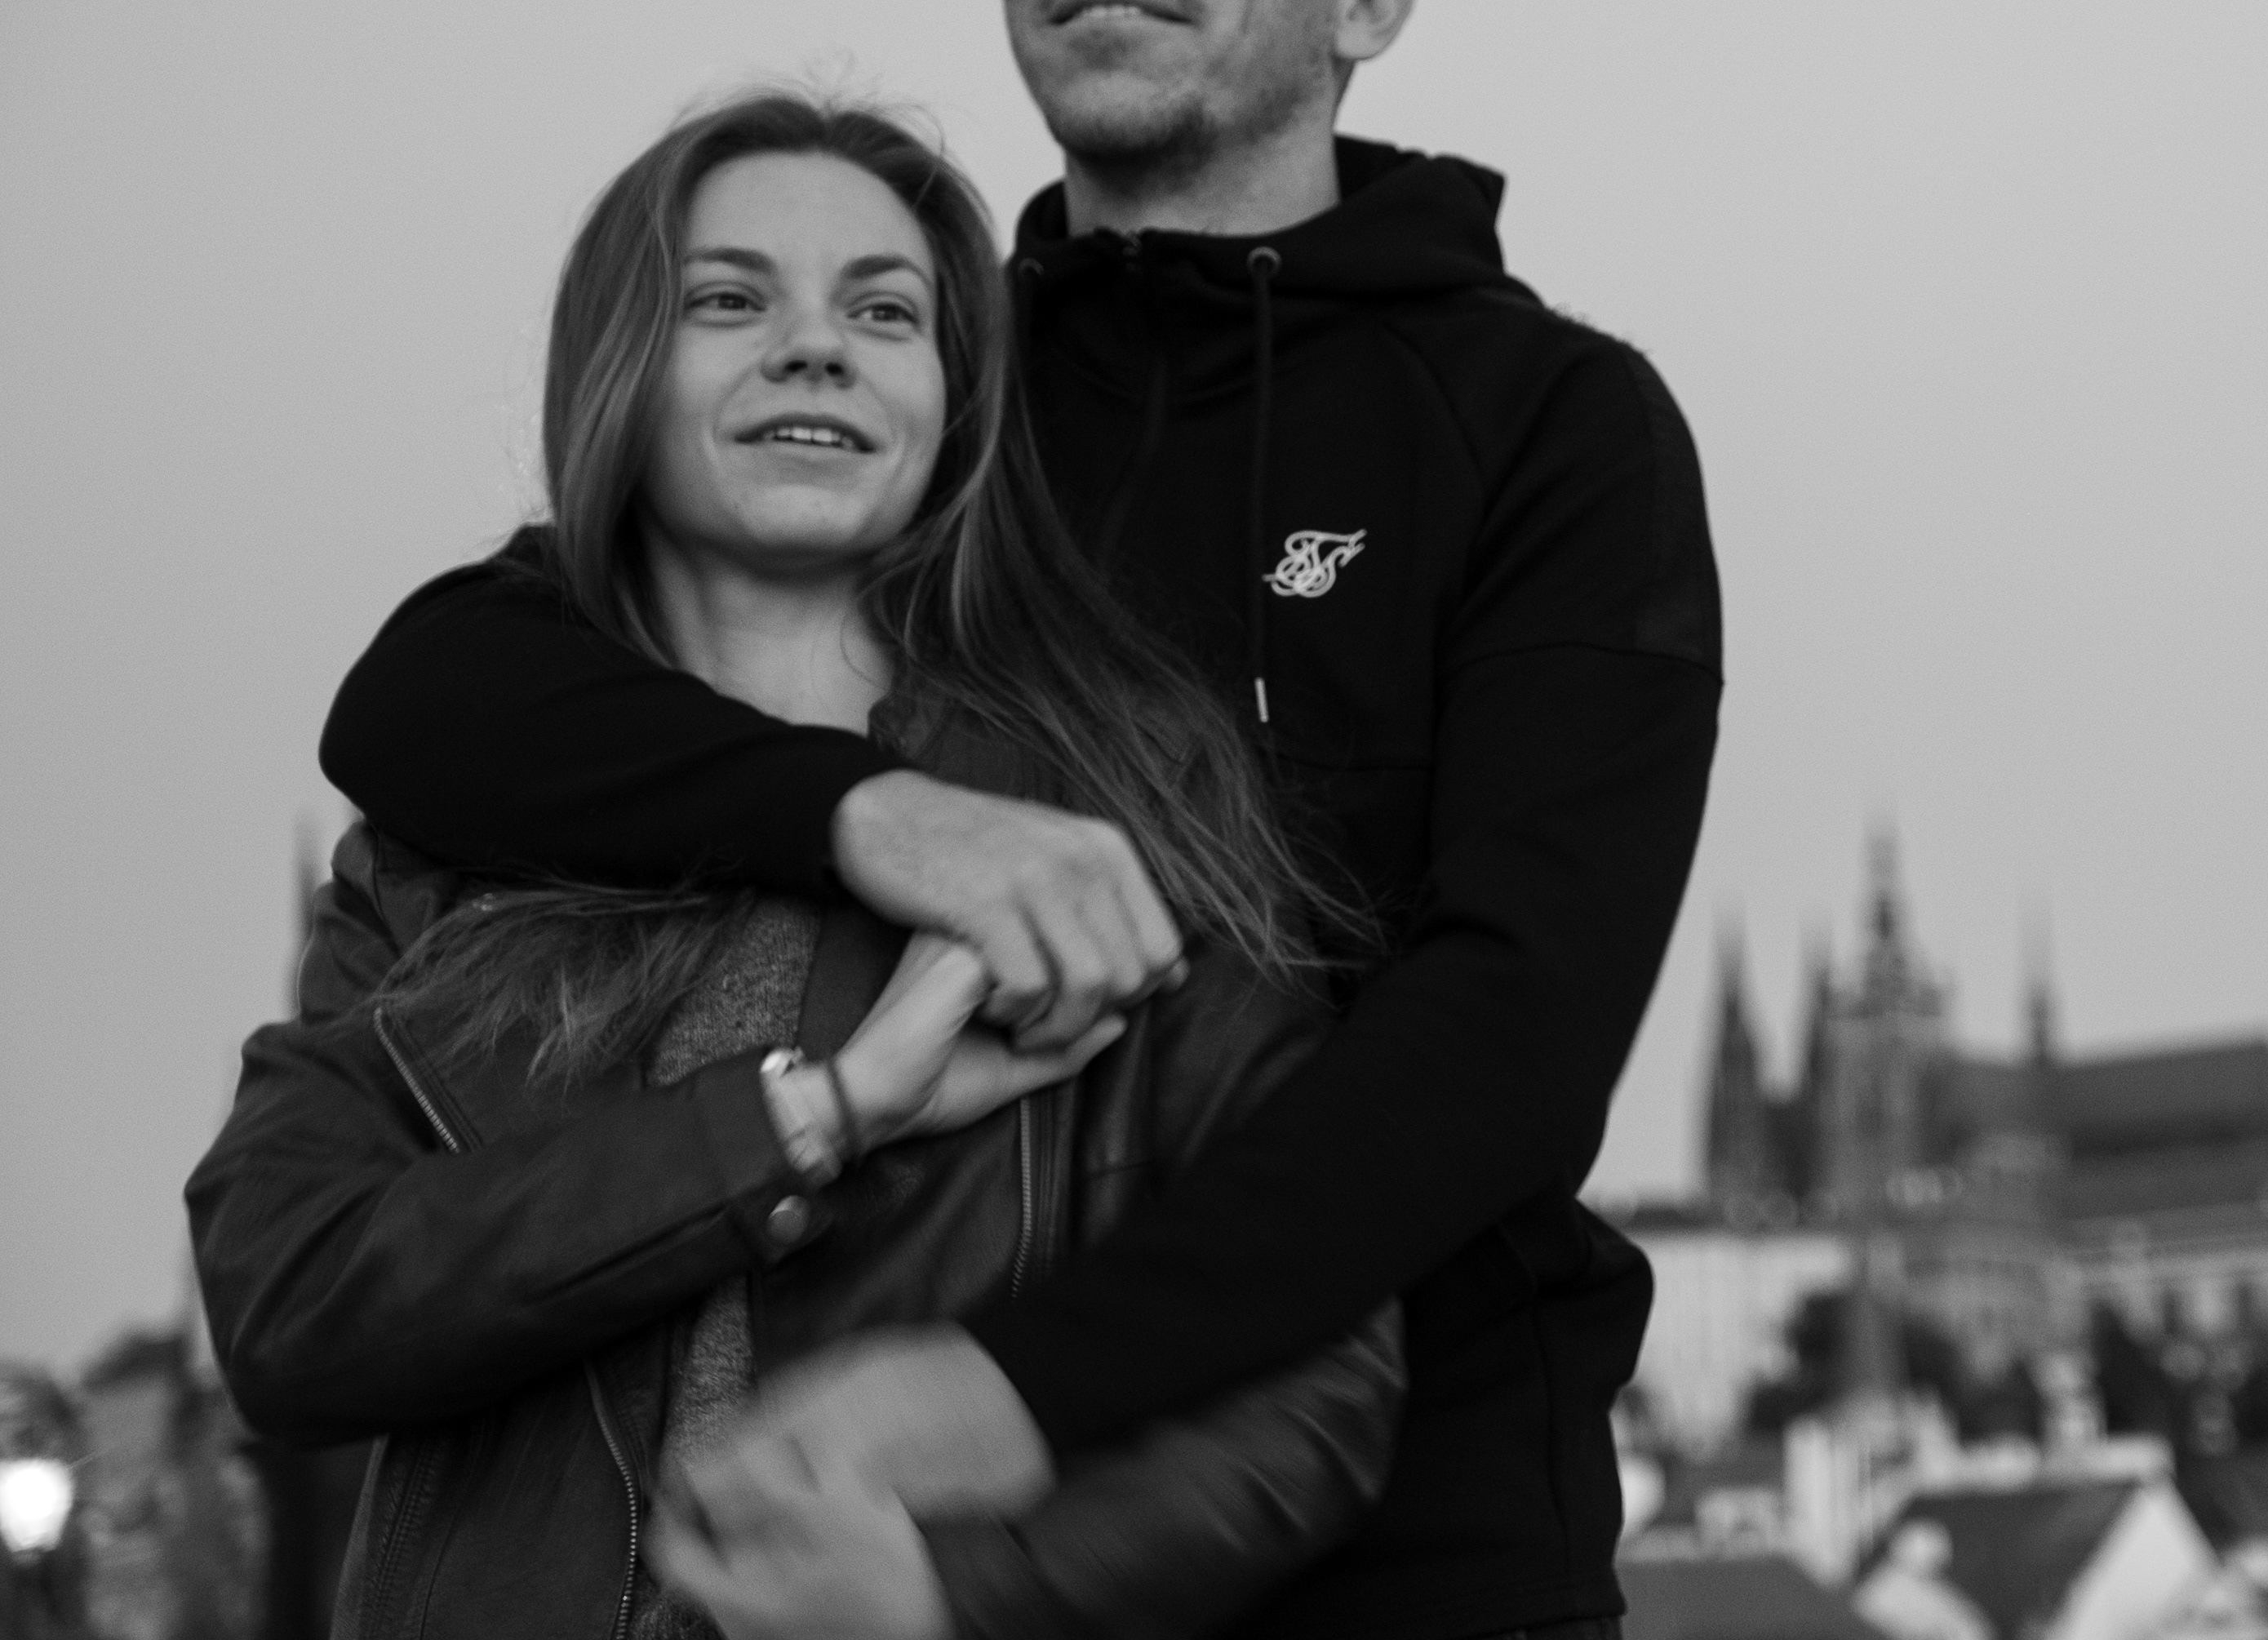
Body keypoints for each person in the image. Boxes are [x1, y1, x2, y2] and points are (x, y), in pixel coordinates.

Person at [317, 0, 1721, 1640]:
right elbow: (430, 693)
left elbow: (1512, 1036)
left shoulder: (1552, 426)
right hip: (854, 1550)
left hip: (1407, 1551)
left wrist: (1021, 1388)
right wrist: (872, 813)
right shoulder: (921, 388)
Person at [190, 93, 1404, 1639]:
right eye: (729, 300)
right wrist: (810, 1118)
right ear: (622, 371)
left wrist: (956, 1595)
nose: (816, 346)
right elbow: (288, 1306)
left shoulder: (1122, 810)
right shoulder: (445, 842)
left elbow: (1318, 1374)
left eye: (883, 312)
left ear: (951, 403)